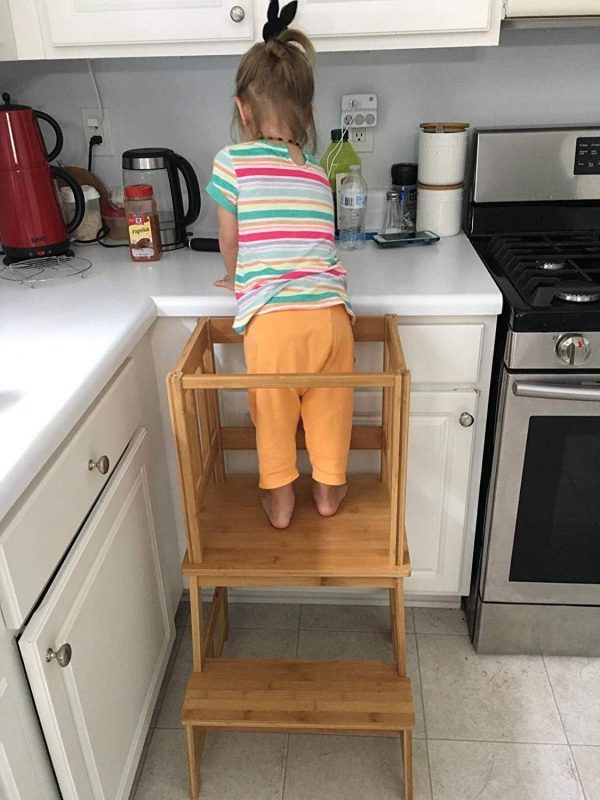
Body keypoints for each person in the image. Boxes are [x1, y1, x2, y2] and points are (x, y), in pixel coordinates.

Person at [206, 0, 354, 530]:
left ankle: (281, 499)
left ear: (242, 108)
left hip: (273, 321)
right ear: (308, 114)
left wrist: (235, 277)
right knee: (329, 408)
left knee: (272, 414)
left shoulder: (233, 161)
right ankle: (329, 490)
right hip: (332, 315)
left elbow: (231, 237)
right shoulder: (315, 170)